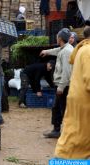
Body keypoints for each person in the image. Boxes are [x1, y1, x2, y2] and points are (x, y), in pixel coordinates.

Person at [54, 20, 90, 159]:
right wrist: (61, 87)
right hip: (77, 150)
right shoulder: (86, 52)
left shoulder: (79, 50)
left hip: (76, 144)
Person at [40, 28, 73, 138]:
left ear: (59, 38)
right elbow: (57, 50)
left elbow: (66, 72)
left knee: (62, 108)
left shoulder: (67, 51)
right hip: (62, 85)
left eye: (57, 36)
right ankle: (58, 130)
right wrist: (47, 52)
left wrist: (61, 87)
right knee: (58, 107)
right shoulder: (65, 48)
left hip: (64, 86)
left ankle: (64, 132)